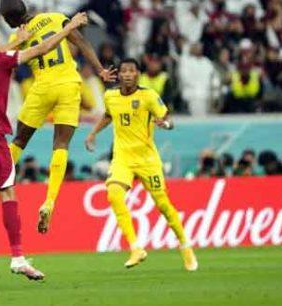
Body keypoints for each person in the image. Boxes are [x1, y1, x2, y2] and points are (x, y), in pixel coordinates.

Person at [0, 12, 87, 283]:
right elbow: (43, 49)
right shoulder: (2, 61)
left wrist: (17, 39)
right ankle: (18, 259)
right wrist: (70, 28)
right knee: (8, 192)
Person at [0, 0, 116, 235]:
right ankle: (50, 201)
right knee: (61, 145)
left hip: (42, 88)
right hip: (69, 84)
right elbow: (82, 42)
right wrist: (100, 70)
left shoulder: (17, 38)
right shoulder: (55, 18)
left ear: (9, 20)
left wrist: (17, 43)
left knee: (19, 141)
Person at [85, 58, 198, 271]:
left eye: (131, 71)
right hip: (123, 158)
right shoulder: (110, 96)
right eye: (124, 71)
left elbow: (168, 119)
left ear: (138, 74)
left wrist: (164, 123)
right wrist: (92, 133)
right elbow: (109, 115)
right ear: (119, 75)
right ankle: (136, 248)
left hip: (147, 160)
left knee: (163, 205)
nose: (127, 74)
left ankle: (185, 245)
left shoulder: (148, 96)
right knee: (113, 194)